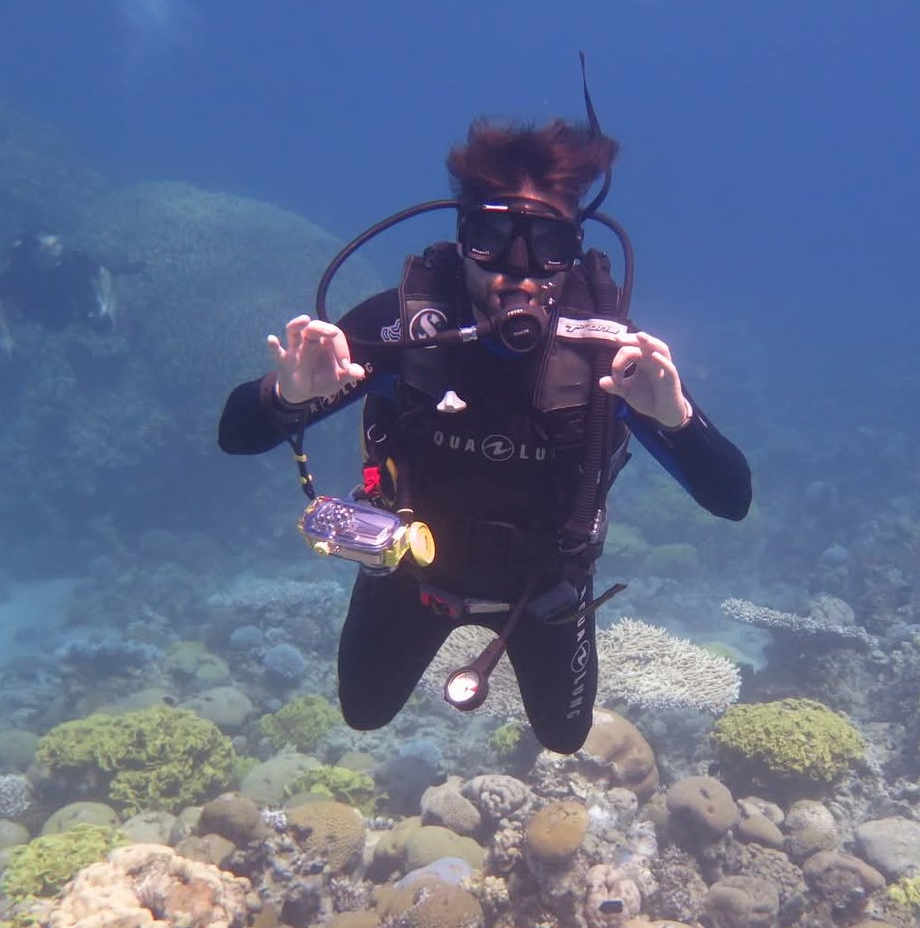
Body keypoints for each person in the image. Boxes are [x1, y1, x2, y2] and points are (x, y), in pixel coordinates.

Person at [218, 117, 751, 753]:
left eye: (548, 245)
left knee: (564, 739)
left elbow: (732, 498)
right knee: (363, 713)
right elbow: (236, 436)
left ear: (575, 250)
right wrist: (287, 398)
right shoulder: (400, 329)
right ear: (462, 237)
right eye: (494, 237)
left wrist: (676, 421)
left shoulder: (613, 360)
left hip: (546, 593)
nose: (519, 271)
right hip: (410, 575)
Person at [0, 228, 117, 355]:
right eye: (50, 247)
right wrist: (4, 334)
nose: (58, 249)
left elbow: (103, 273)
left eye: (58, 243)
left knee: (103, 326)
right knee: (53, 323)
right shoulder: (21, 273)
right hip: (46, 312)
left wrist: (106, 306)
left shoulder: (72, 260)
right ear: (34, 253)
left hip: (75, 301)